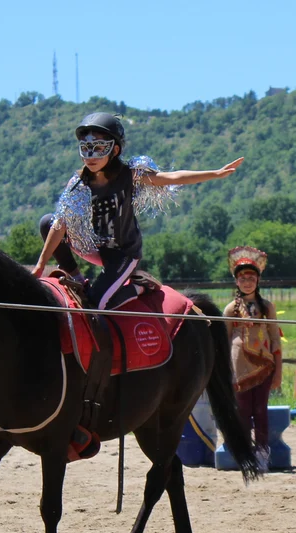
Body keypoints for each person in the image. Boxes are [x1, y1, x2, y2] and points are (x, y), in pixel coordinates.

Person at [32, 111, 244, 309]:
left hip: (123, 253)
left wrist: (215, 174)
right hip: (94, 247)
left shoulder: (130, 175)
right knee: (49, 222)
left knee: (97, 304)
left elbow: (171, 177)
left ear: (114, 150)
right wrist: (41, 266)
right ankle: (78, 279)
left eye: (98, 148)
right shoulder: (78, 184)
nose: (90, 155)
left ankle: (140, 286)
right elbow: (60, 225)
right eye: (86, 148)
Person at [223, 246, 282, 466]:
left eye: (251, 277)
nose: (247, 282)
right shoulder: (230, 309)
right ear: (236, 282)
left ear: (258, 280)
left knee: (260, 410)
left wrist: (278, 369)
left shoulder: (267, 307)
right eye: (243, 278)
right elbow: (225, 340)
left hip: (264, 364)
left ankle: (262, 453)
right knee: (243, 410)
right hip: (239, 367)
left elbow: (275, 338)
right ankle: (245, 454)